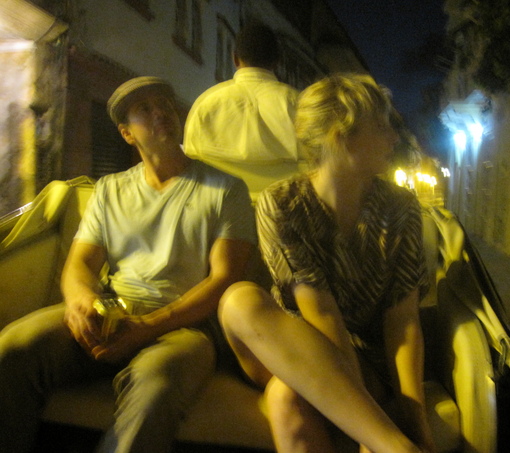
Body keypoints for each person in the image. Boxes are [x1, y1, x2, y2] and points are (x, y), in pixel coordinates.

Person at [0, 77, 256, 452]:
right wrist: (80, 302)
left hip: (186, 326)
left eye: (164, 105)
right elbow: (80, 264)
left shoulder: (226, 189)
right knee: (14, 346)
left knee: (156, 385)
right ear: (126, 134)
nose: (160, 113)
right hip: (114, 310)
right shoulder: (110, 190)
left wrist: (147, 327)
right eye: (144, 109)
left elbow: (224, 278)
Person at [218, 74, 436, 453]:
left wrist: (414, 417)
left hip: (367, 361)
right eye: (381, 126)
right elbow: (321, 315)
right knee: (239, 300)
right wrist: (369, 428)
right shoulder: (282, 203)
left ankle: (392, 443)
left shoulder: (400, 208)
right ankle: (391, 446)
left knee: (286, 398)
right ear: (342, 137)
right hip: (291, 347)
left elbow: (403, 321)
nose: (394, 138)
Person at [183, 22, 301, 199]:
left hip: (221, 209)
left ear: (235, 58)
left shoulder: (207, 103)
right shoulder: (300, 104)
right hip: (284, 208)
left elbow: (191, 167)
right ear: (277, 62)